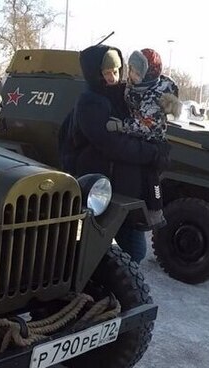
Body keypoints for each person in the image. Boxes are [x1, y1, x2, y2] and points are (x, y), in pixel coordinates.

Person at [60, 44, 168, 263]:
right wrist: (151, 152)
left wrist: (159, 144)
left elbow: (145, 123)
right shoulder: (90, 102)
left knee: (133, 252)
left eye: (116, 71)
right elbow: (111, 144)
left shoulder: (125, 94)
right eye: (107, 73)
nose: (112, 77)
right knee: (94, 252)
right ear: (95, 73)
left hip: (125, 191)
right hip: (100, 191)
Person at [106, 48, 180, 224]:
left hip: (154, 141)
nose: (130, 74)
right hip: (139, 137)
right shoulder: (136, 87)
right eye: (130, 69)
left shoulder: (155, 95)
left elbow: (146, 125)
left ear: (146, 74)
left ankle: (156, 212)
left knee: (151, 178)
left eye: (135, 72)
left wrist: (121, 126)